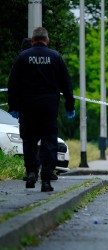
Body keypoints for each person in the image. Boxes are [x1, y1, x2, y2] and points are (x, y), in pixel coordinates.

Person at [7, 27, 75, 192]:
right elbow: (66, 83)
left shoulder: (23, 57)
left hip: (28, 107)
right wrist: (69, 106)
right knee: (49, 142)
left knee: (29, 140)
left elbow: (13, 83)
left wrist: (14, 106)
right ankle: (46, 179)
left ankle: (31, 172)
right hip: (49, 107)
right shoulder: (55, 57)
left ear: (32, 40)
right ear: (47, 39)